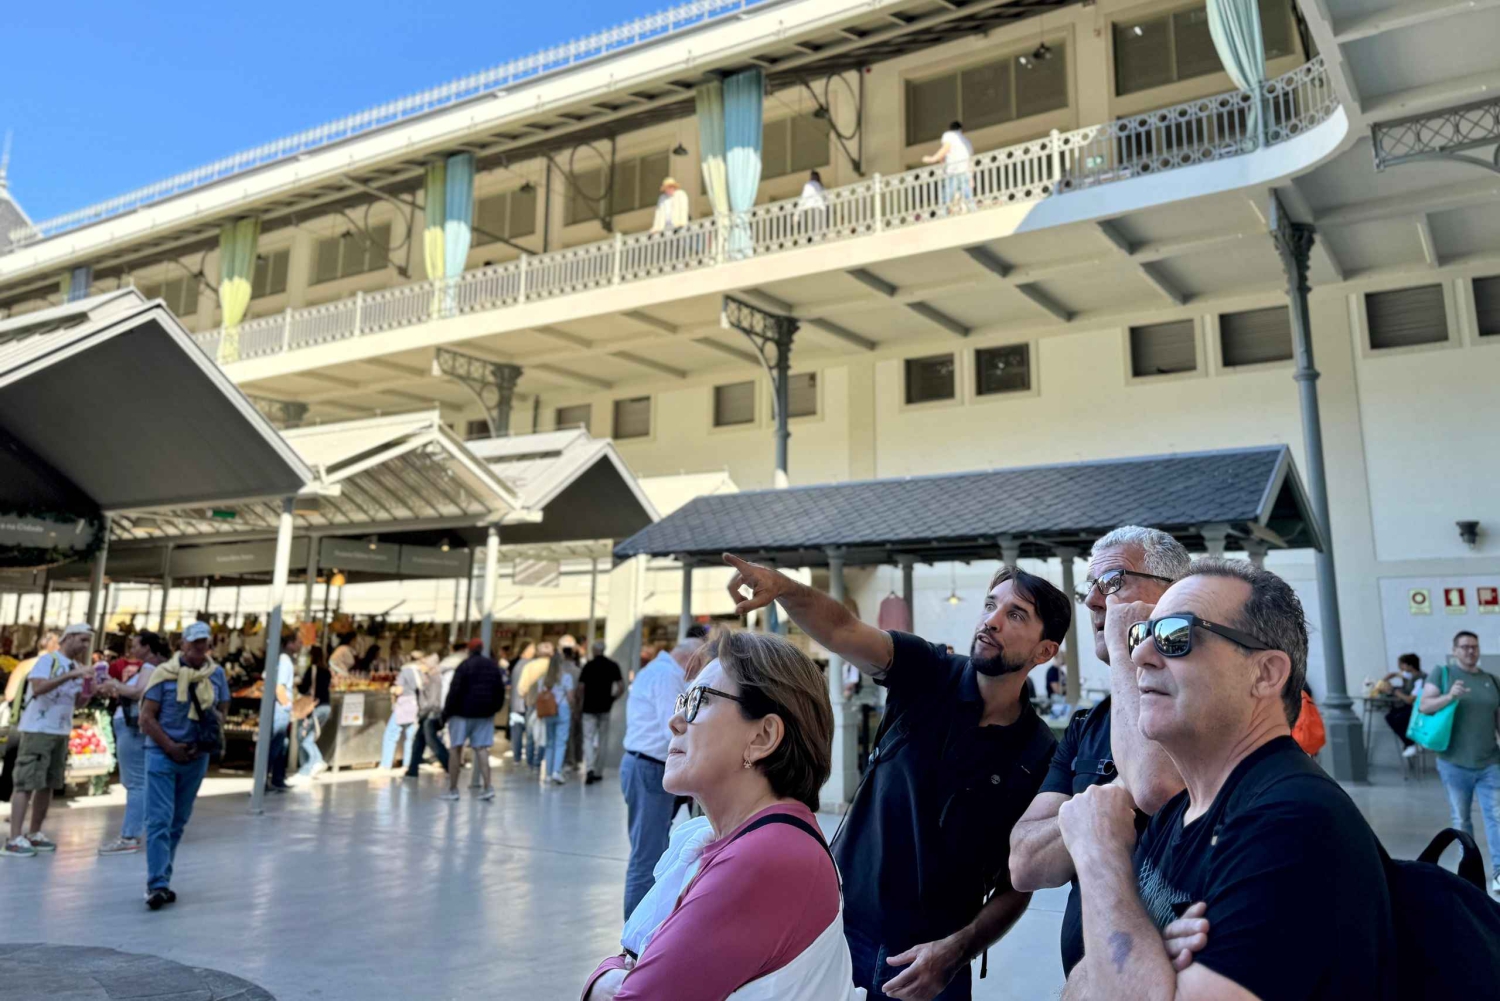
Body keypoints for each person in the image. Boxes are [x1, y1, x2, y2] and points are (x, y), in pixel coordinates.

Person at [725, 554, 1065, 1001]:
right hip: (837, 930)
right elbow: (844, 630)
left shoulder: (1038, 752)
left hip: (932, 964)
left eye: (1015, 614)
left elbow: (1017, 883)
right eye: (990, 605)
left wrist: (956, 951)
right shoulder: (927, 671)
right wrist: (786, 588)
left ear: (1045, 651)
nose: (991, 620)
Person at [1057, 559, 1395, 1000]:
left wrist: (1099, 856)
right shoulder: (1179, 811)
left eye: (1175, 635)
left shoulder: (1292, 821)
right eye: (1141, 635)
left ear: (1265, 673)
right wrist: (1148, 953)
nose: (1138, 655)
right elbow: (1081, 985)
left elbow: (1107, 979)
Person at [582, 628, 858, 1001]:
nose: (675, 720)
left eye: (699, 700)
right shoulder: (743, 841)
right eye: (683, 699)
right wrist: (612, 974)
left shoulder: (766, 858)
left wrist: (602, 977)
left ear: (762, 737)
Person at [1010, 527, 1189, 977]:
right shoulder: (1087, 726)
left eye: (1112, 582)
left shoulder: (1203, 702)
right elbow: (1025, 863)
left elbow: (1154, 786)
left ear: (1174, 593)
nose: (1092, 601)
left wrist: (1129, 649)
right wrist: (1107, 801)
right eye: (1089, 587)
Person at [138, 621, 230, 909]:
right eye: (194, 642)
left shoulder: (216, 675)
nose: (199, 647)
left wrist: (208, 733)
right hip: (162, 754)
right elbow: (146, 718)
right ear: (182, 644)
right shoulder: (163, 674)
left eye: (204, 642)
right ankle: (157, 884)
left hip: (195, 757)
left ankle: (163, 878)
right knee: (159, 819)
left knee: (177, 821)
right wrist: (170, 746)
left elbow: (223, 709)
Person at [619, 625, 705, 920]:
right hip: (649, 767)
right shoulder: (668, 676)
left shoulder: (655, 669)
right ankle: (634, 936)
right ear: (691, 660)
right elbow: (673, 726)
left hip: (643, 765)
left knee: (651, 851)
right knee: (647, 856)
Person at [3, 624, 95, 858]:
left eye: (88, 641)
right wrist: (70, 675)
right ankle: (14, 837)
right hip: (38, 729)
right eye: (82, 640)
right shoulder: (48, 661)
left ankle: (34, 832)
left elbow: (78, 702)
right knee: (26, 782)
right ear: (69, 637)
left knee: (48, 783)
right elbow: (39, 687)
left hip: (61, 731)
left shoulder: (77, 667)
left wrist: (89, 687)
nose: (85, 646)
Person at [1418, 630, 1500, 894]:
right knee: (1462, 820)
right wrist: (1450, 696)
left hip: (1490, 761)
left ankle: (1499, 873)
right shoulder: (1443, 674)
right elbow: (1424, 706)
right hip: (1454, 762)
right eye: (1464, 647)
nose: (1470, 651)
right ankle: (1470, 873)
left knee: (1497, 817)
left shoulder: (1491, 680)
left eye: (1474, 646)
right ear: (1454, 650)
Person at [98, 631, 169, 856]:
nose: (132, 650)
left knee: (136, 782)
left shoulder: (149, 667)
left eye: (136, 645)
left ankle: (130, 835)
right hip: (135, 727)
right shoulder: (162, 667)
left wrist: (115, 684)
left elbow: (139, 692)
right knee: (141, 780)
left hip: (132, 727)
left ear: (147, 647)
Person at [441, 645, 506, 801]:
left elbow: (454, 691)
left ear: (469, 651)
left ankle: (453, 789)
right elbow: (500, 690)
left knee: (456, 749)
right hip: (484, 715)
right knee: (482, 749)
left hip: (461, 714)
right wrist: (494, 709)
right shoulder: (492, 666)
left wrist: (446, 713)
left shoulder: (464, 666)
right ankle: (488, 787)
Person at [1, 630, 59, 804]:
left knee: (14, 758)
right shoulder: (57, 669)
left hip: (20, 719)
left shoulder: (24, 665)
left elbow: (9, 694)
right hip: (44, 722)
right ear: (54, 647)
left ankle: (7, 793)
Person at [579, 641, 624, 785]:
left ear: (593, 650)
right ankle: (598, 771)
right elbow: (621, 686)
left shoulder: (588, 666)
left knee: (588, 738)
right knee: (603, 739)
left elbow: (581, 687)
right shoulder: (612, 666)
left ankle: (589, 768)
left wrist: (580, 702)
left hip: (588, 708)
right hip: (605, 708)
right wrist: (612, 698)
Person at [405, 652, 450, 778]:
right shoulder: (429, 677)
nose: (421, 665)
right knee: (419, 741)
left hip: (430, 714)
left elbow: (432, 700)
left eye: (424, 663)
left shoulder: (434, 678)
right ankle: (412, 769)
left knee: (431, 741)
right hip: (428, 713)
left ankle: (449, 764)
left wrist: (422, 713)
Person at [267, 630, 301, 792]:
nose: (301, 644)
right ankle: (263, 779)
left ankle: (278, 778)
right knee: (275, 745)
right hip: (280, 709)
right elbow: (279, 687)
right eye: (298, 641)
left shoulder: (282, 660)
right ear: (290, 643)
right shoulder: (285, 661)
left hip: (280, 708)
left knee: (282, 745)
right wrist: (287, 706)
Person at [538, 649, 578, 785]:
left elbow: (540, 695)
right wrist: (573, 708)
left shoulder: (543, 679)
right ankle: (557, 771)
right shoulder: (566, 678)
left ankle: (548, 774)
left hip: (548, 711)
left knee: (549, 742)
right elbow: (570, 696)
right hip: (563, 709)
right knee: (561, 742)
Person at [379, 651, 422, 772]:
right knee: (411, 737)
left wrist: (393, 689)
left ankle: (385, 764)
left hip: (404, 706)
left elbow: (399, 690)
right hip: (416, 705)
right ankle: (407, 765)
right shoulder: (421, 672)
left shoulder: (406, 671)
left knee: (391, 734)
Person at [922, 120, 974, 215]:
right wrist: (971, 178)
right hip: (965, 172)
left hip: (954, 172)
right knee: (968, 196)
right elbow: (970, 161)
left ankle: (943, 215)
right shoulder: (967, 142)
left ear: (950, 129)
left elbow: (946, 148)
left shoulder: (949, 135)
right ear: (961, 129)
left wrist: (933, 159)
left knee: (946, 197)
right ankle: (973, 211)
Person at [296, 645, 332, 779]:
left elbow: (303, 688)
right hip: (326, 707)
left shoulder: (312, 670)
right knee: (310, 735)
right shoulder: (327, 672)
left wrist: (296, 683)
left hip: (314, 706)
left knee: (303, 738)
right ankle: (306, 769)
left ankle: (317, 760)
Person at [1380, 653, 1424, 759]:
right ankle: (1409, 743)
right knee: (1390, 716)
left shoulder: (1420, 679)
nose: (1400, 668)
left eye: (1402, 665)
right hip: (1410, 707)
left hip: (1419, 709)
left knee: (1399, 718)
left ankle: (1411, 744)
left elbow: (1410, 700)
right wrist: (1386, 680)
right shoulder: (1410, 676)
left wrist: (1395, 692)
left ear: (1410, 666)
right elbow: (1395, 676)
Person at [507, 641, 537, 763]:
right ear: (526, 649)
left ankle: (516, 757)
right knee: (530, 732)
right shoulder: (529, 665)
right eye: (532, 648)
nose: (534, 650)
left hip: (515, 703)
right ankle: (530, 758)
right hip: (526, 703)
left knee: (516, 732)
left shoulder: (517, 664)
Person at [797, 170, 828, 240]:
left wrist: (797, 214)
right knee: (819, 227)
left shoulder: (808, 185)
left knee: (812, 228)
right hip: (820, 209)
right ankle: (821, 238)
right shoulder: (821, 186)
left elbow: (803, 199)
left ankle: (813, 239)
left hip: (810, 208)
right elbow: (826, 199)